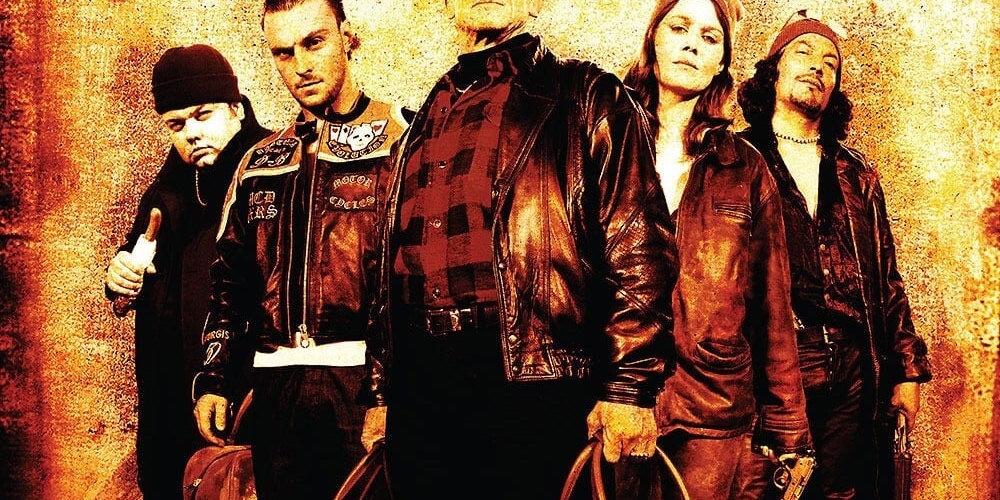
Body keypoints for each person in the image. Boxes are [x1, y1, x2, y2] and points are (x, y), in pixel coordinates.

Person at [359, 1, 678, 498]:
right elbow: (390, 264)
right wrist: (383, 393)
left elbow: (638, 246)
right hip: (421, 387)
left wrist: (628, 387)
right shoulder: (424, 115)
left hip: (534, 381)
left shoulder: (589, 97)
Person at [190, 0, 409, 498]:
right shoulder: (258, 164)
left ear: (347, 37)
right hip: (276, 388)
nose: (302, 65)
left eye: (314, 42)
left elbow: (413, 278)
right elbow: (229, 284)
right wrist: (214, 379)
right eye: (284, 52)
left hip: (364, 385)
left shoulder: (402, 139)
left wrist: (388, 392)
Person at [734, 10, 932, 499]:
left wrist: (907, 370)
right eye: (802, 52)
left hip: (852, 368)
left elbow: (887, 277)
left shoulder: (855, 173)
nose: (817, 67)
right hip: (769, 365)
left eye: (830, 62)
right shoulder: (733, 159)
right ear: (773, 70)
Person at [619, 0, 812, 498]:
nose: (691, 45)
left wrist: (788, 427)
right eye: (679, 28)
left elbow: (773, 306)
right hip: (612, 397)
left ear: (722, 60)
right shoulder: (605, 144)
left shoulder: (744, 167)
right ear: (653, 41)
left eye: (709, 37)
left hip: (711, 405)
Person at [104, 44, 271, 499]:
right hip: (169, 413)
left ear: (236, 109)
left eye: (203, 115)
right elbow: (135, 263)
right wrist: (120, 278)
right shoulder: (169, 188)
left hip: (238, 406)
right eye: (176, 125)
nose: (191, 134)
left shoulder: (272, 173)